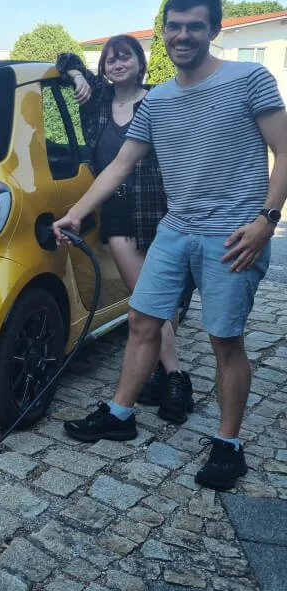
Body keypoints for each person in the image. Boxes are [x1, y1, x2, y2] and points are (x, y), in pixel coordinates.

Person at [54, 0, 287, 491]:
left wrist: (267, 220)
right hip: (175, 229)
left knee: (225, 340)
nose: (183, 35)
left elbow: (285, 152)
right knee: (141, 320)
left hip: (233, 235)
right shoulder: (157, 100)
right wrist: (75, 213)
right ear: (164, 31)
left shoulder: (250, 78)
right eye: (175, 26)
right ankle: (120, 414)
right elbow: (119, 165)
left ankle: (229, 446)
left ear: (214, 29)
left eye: (195, 26)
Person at [56, 37, 193, 424]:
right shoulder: (97, 98)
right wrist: (72, 73)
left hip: (156, 209)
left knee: (160, 298)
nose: (117, 64)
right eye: (110, 59)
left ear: (139, 62)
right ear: (102, 68)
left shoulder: (158, 98)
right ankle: (175, 377)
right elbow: (64, 56)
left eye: (125, 57)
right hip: (116, 215)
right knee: (146, 297)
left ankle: (168, 375)